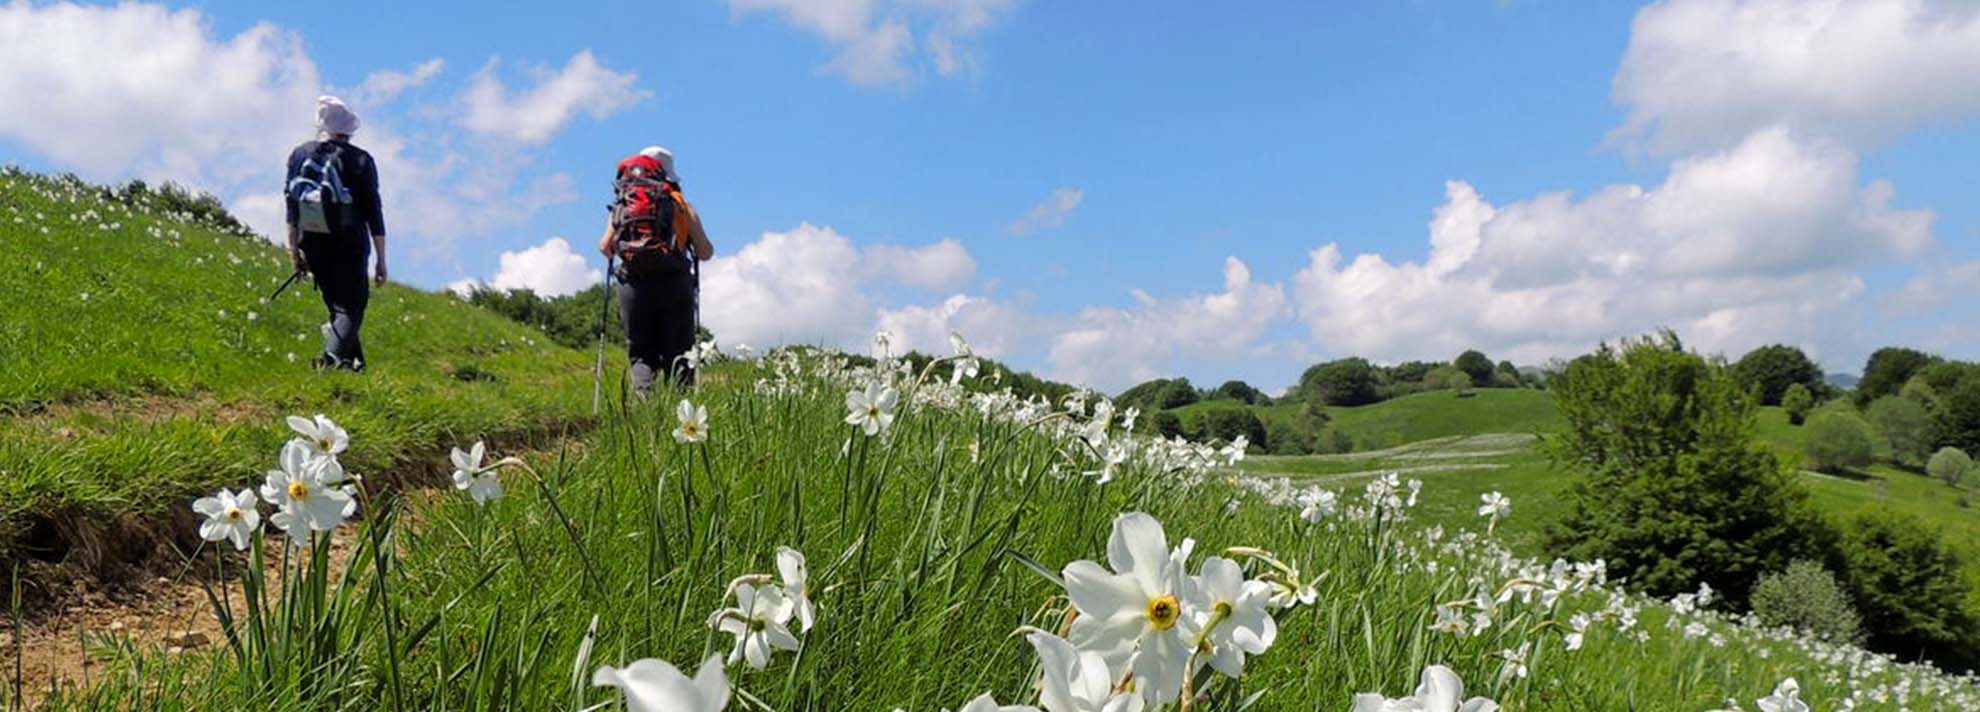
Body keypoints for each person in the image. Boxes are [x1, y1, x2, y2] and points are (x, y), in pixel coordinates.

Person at [598, 146, 714, 396]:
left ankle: (644, 420)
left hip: (634, 285)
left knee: (641, 354)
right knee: (680, 355)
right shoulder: (680, 204)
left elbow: (605, 247)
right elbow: (705, 252)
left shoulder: (623, 203)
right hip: (674, 285)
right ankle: (683, 416)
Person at [285, 95, 386, 372]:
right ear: (349, 130)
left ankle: (354, 367)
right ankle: (328, 362)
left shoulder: (299, 154)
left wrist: (294, 250)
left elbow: (291, 204)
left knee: (338, 306)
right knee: (352, 307)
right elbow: (373, 211)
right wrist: (381, 258)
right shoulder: (361, 160)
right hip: (349, 241)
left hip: (312, 239)